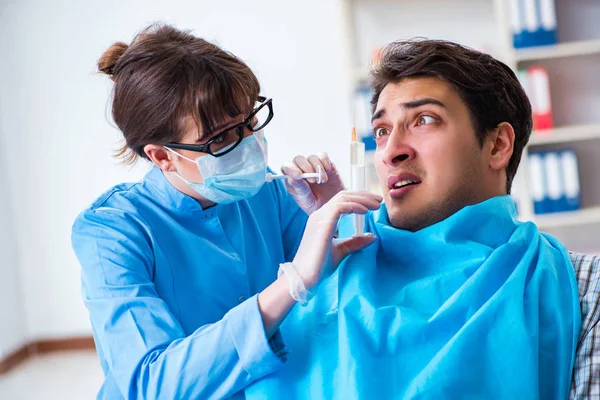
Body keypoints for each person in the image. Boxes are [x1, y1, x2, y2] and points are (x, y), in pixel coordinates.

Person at [244, 39, 588, 399]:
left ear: (498, 145)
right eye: (381, 131)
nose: (392, 151)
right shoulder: (319, 274)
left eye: (424, 120)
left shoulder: (583, 288)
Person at [71, 24, 381, 399]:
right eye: (220, 138)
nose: (249, 144)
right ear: (162, 156)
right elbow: (152, 384)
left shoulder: (268, 192)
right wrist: (291, 282)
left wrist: (339, 216)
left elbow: (349, 293)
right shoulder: (111, 231)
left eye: (249, 122)